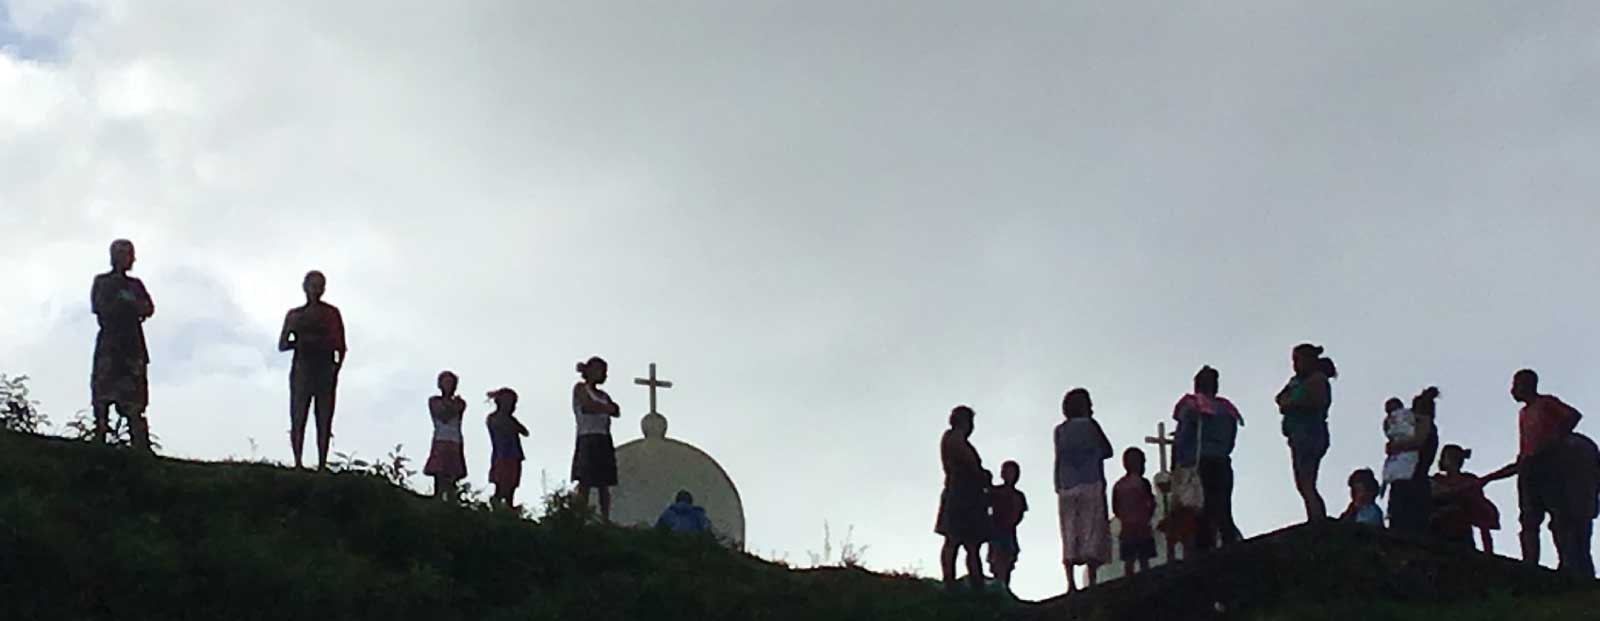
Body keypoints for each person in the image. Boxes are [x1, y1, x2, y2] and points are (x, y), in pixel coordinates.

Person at [1484, 370, 1585, 572]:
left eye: (1516, 385)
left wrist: (1554, 441)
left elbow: (1572, 416)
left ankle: (1566, 564)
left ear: (1527, 384)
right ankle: (1530, 563)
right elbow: (1526, 445)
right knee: (1529, 517)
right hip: (1529, 466)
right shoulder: (1524, 413)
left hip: (1549, 465)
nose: (1513, 390)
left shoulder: (1546, 403)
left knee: (1558, 516)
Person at [89, 239, 155, 451]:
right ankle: (100, 433)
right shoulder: (102, 282)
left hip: (132, 345)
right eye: (126, 254)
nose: (131, 259)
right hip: (111, 343)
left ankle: (140, 443)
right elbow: (100, 307)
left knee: (135, 398)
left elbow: (148, 308)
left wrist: (128, 304)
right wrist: (125, 305)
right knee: (103, 391)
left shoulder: (135, 285)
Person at [277, 270, 346, 470]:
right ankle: (298, 461)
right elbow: (282, 344)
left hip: (325, 370)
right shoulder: (295, 315)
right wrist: (301, 342)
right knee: (298, 416)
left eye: (320, 285)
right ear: (305, 287)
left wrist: (335, 369)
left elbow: (341, 346)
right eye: (313, 285)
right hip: (302, 370)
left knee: (324, 418)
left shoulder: (331, 314)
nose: (316, 289)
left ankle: (322, 464)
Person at [1172, 366, 1244, 553]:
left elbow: (1183, 437)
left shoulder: (1191, 406)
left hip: (1200, 463)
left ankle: (1204, 553)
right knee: (1223, 507)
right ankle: (1230, 546)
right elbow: (1231, 441)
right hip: (1222, 461)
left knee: (1201, 511)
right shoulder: (1228, 410)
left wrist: (1179, 465)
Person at [1055, 388, 1113, 593]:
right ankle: (1092, 578)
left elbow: (1058, 458)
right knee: (1091, 529)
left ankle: (1070, 582)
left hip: (1066, 484)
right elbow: (1108, 450)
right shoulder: (1091, 426)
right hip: (1091, 481)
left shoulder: (1060, 430)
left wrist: (1057, 484)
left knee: (1069, 531)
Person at [1276, 343, 1336, 522]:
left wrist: (1292, 403)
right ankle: (1314, 517)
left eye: (1298, 360)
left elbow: (1314, 402)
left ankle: (1317, 519)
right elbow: (1280, 398)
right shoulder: (1297, 382)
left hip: (1311, 433)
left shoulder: (1318, 379)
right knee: (1303, 483)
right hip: (1298, 434)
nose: (1295, 365)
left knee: (1307, 481)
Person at [936, 405, 991, 592]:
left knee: (971, 544)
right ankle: (950, 581)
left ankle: (976, 584)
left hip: (967, 495)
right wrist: (982, 474)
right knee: (955, 540)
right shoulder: (953, 437)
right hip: (960, 494)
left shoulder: (956, 440)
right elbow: (969, 464)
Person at [572, 357, 621, 521]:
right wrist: (605, 408)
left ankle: (605, 518)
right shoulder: (580, 388)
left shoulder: (603, 395)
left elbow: (616, 410)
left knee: (604, 484)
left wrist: (603, 408)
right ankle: (580, 517)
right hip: (587, 438)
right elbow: (587, 406)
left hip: (603, 438)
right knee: (584, 482)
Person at [1387, 388, 1440, 536]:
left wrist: (1397, 446)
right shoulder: (1416, 426)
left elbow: (1418, 442)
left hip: (1413, 480)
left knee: (1408, 521)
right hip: (1410, 479)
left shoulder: (1423, 424)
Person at [1431, 444, 1500, 552]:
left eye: (1455, 457)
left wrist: (1489, 550)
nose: (1452, 461)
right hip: (1438, 530)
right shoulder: (1436, 480)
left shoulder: (1469, 479)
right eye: (1449, 457)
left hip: (1462, 532)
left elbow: (1481, 510)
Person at [423, 371, 468, 502]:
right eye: (446, 382)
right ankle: (437, 497)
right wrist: (451, 406)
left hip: (455, 440)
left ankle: (451, 499)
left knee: (452, 472)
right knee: (439, 471)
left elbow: (451, 412)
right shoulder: (434, 400)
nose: (449, 386)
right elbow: (444, 416)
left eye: (451, 383)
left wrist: (451, 406)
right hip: (441, 438)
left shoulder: (460, 402)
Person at [1112, 448, 1157, 576]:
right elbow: (1150, 503)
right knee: (1144, 559)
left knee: (1129, 560)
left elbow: (1116, 508)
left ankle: (1129, 579)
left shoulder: (1119, 485)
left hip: (1127, 528)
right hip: (1142, 527)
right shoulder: (1143, 483)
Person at [987, 460, 1028, 589]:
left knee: (1008, 561)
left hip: (1009, 532)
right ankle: (999, 588)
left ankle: (1004, 588)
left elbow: (1020, 513)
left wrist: (1011, 521)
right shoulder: (995, 492)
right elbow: (987, 506)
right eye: (1006, 472)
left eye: (1012, 472)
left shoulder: (1018, 495)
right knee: (997, 561)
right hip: (996, 531)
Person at [486, 387, 528, 509]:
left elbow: (524, 431)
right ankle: (498, 505)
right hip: (502, 454)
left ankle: (509, 507)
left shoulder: (511, 420)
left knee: (512, 485)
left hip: (514, 455)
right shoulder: (494, 418)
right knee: (501, 484)